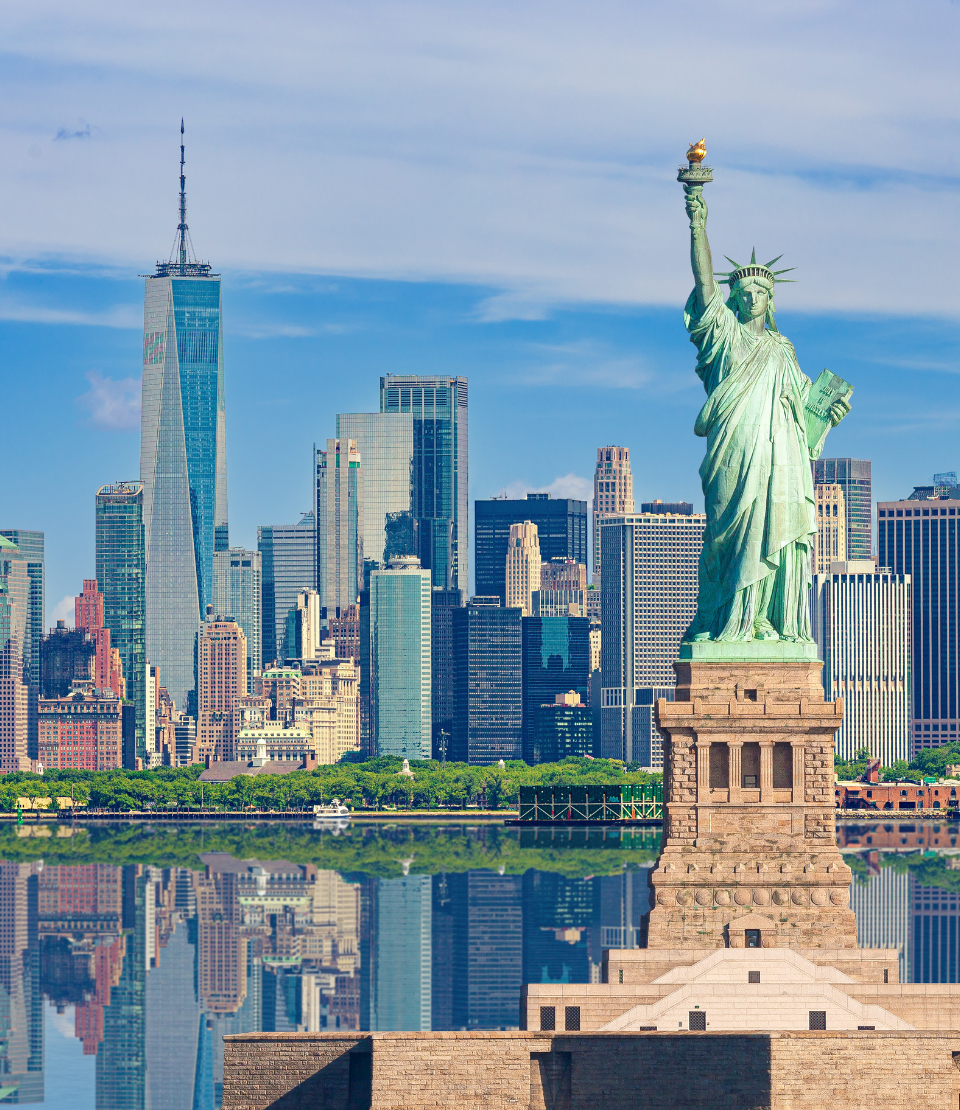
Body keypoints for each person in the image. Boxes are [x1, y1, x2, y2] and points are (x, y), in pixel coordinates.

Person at [681, 184, 850, 643]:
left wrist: (829, 408)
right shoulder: (725, 337)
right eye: (744, 289)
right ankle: (729, 619)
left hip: (780, 460)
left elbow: (805, 412)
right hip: (735, 452)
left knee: (776, 531)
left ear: (770, 299)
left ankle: (764, 621)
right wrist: (698, 221)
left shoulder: (782, 350)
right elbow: (702, 282)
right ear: (732, 299)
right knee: (731, 538)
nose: (752, 295)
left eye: (760, 289)